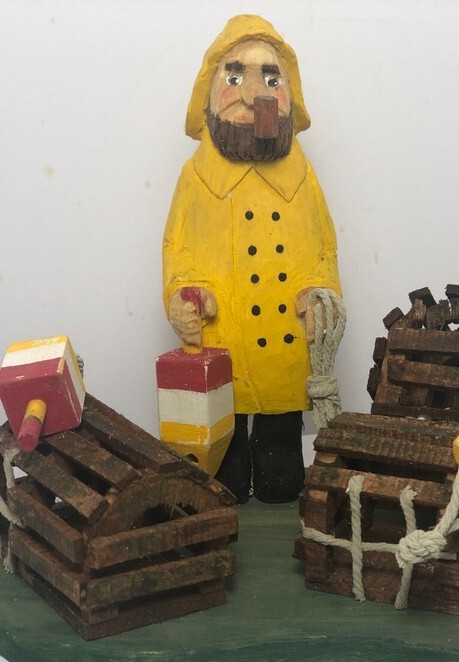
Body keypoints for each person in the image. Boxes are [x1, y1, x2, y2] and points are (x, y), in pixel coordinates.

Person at [162, 15, 342, 504]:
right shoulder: (196, 179)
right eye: (235, 74)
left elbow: (323, 249)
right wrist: (181, 296)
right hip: (223, 340)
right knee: (225, 463)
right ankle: (229, 490)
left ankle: (282, 486)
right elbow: (177, 250)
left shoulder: (302, 179)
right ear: (209, 91)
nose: (252, 93)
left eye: (271, 77)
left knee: (283, 466)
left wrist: (321, 293)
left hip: (285, 342)